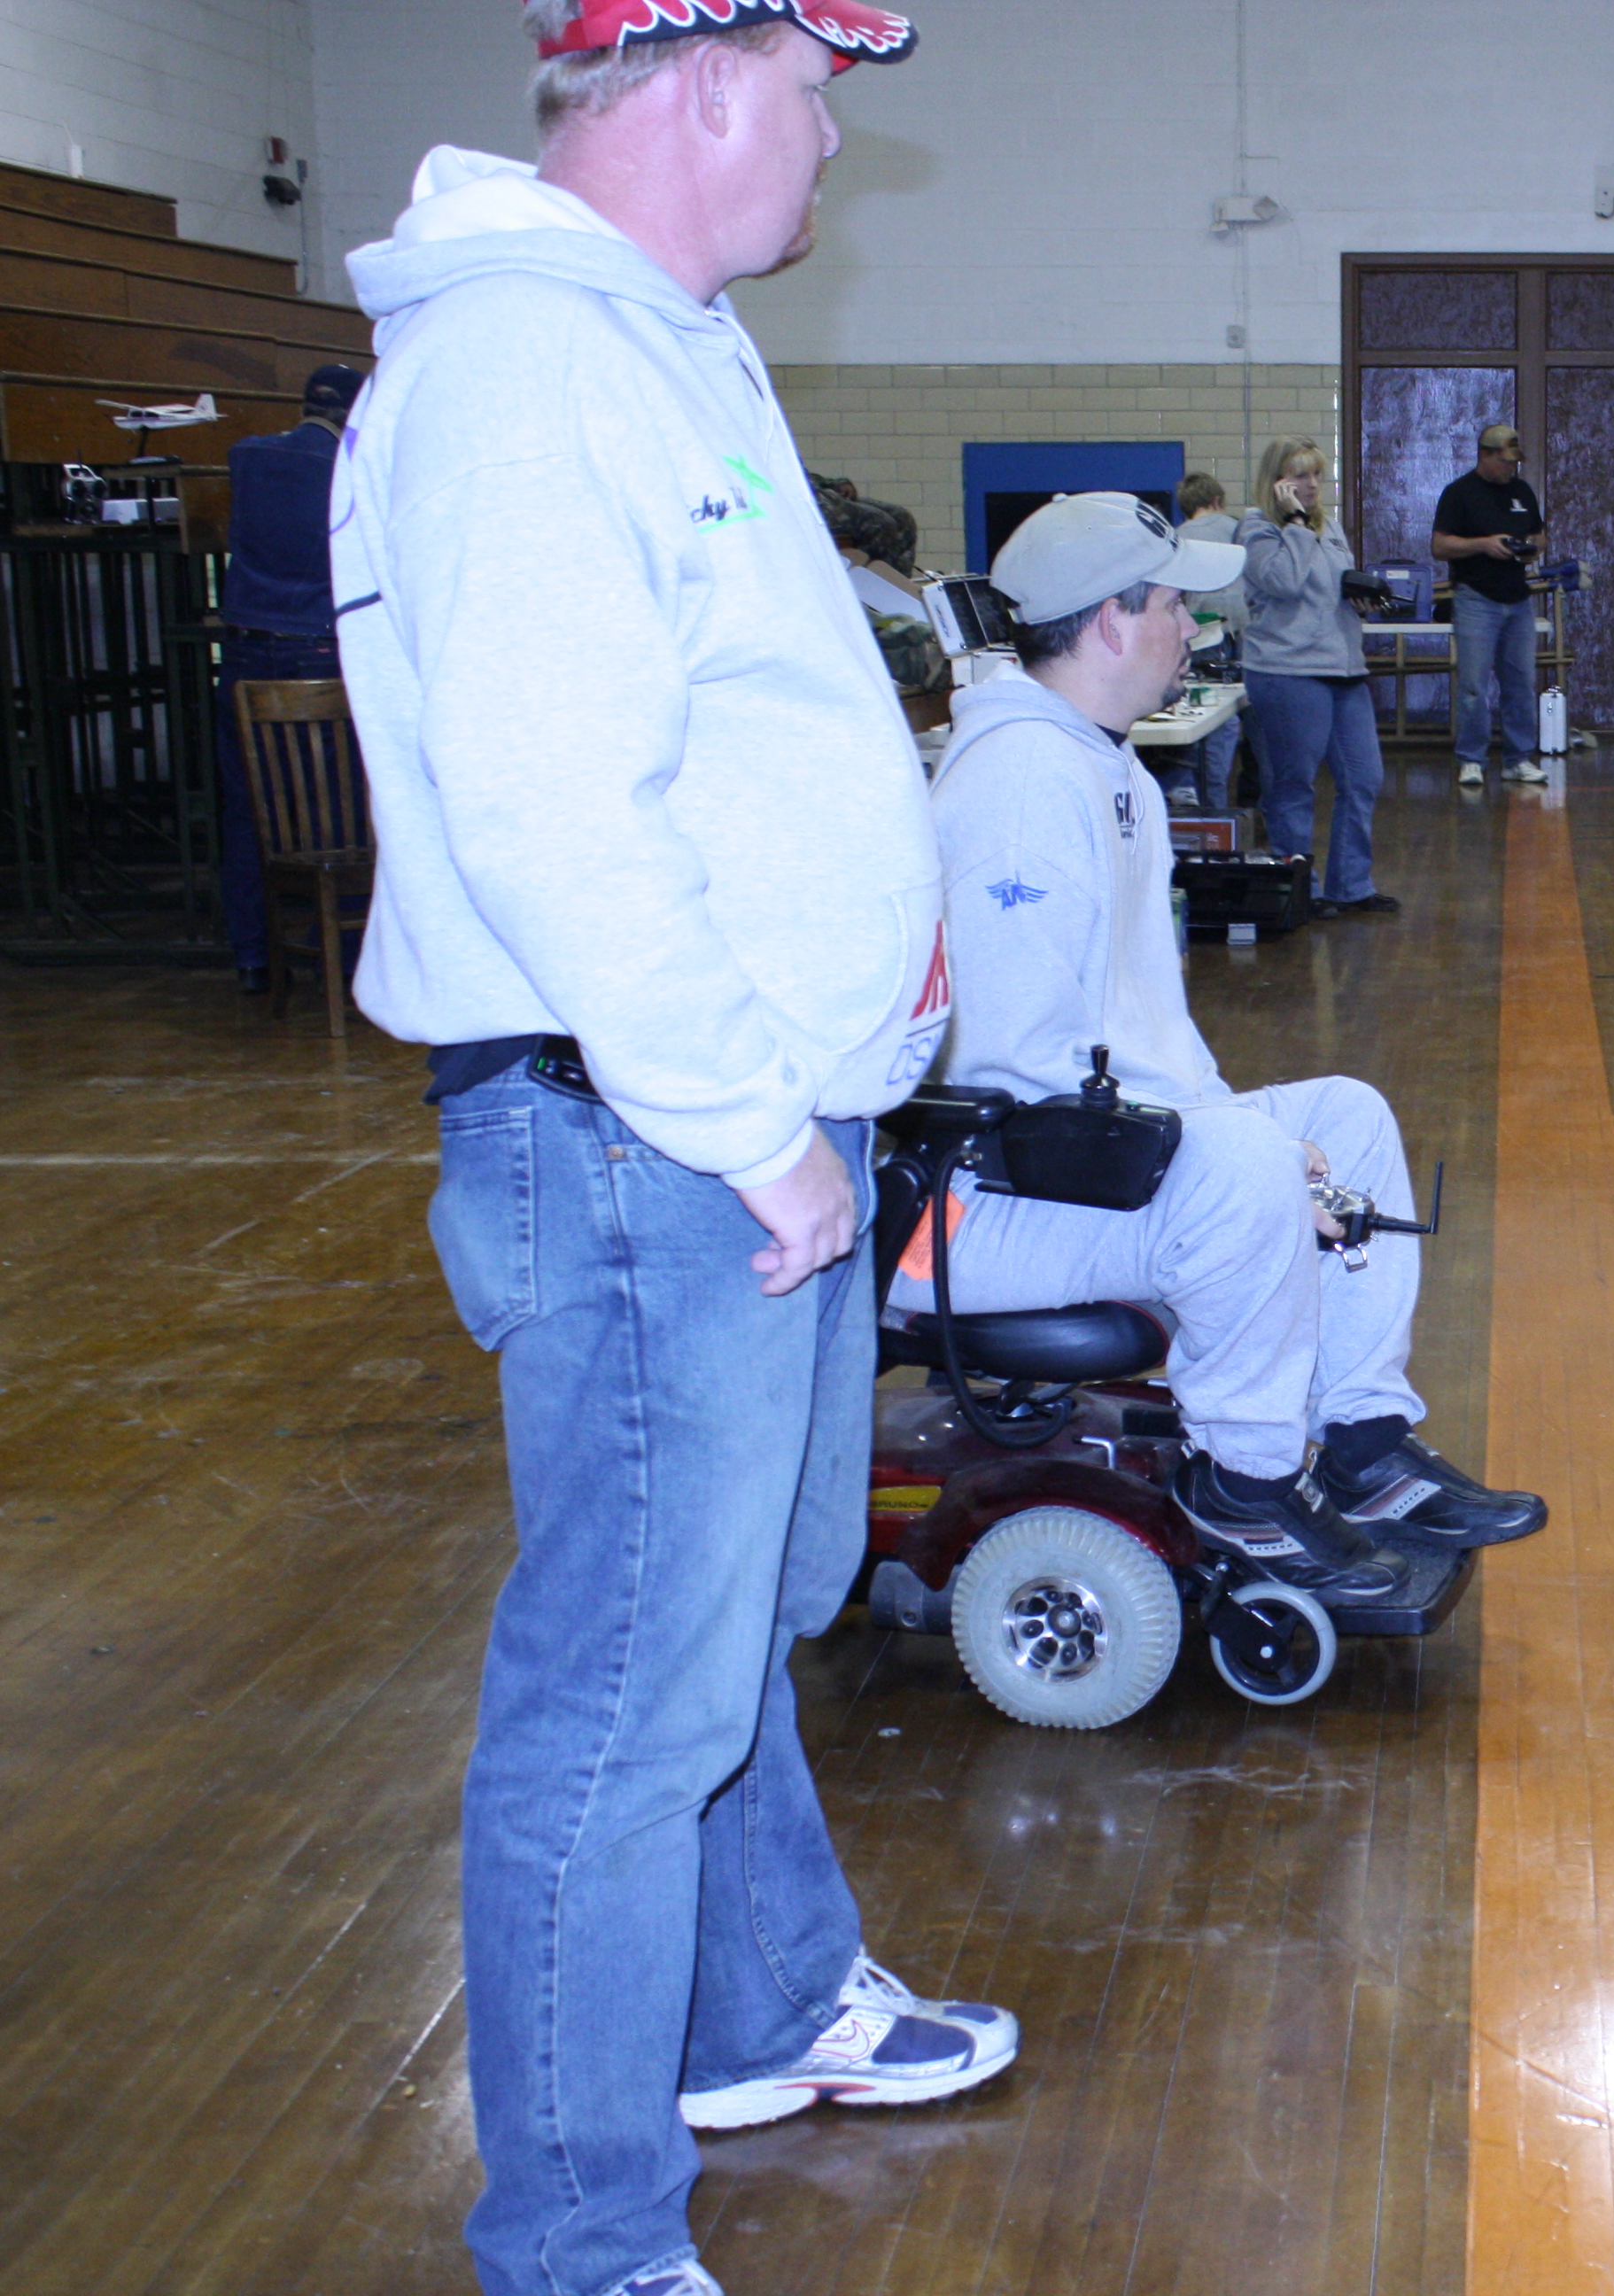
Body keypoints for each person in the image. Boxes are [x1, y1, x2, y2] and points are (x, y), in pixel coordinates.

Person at [329, 7, 1009, 2295]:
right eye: (818, 90)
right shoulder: (529, 363)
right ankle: (582, 2235)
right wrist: (743, 1123)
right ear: (704, 79)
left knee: (740, 1627)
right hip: (655, 1136)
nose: (834, 140)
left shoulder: (656, 341)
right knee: (622, 1699)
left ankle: (765, 2004)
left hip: (741, 1117)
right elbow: (551, 807)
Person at [919, 490, 1547, 1587]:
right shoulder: (1019, 784)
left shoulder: (1108, 767)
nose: (1195, 628)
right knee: (1248, 1165)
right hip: (981, 1200)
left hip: (1076, 1159)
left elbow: (1149, 1036)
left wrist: (1248, 1139)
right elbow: (1014, 1067)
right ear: (1111, 621)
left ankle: (1359, 1442)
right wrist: (1236, 1158)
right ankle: (1245, 1484)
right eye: (1174, 605)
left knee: (1345, 1116)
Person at [213, 361, 363, 997]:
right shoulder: (350, 467)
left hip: (245, 657)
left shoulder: (247, 456)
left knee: (248, 813)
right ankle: (345, 954)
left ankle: (253, 955)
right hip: (320, 655)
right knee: (342, 813)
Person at [1236, 435, 1396, 918]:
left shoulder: (1329, 525)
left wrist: (1359, 598)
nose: (1311, 484)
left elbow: (1329, 587)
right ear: (1277, 481)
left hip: (1342, 666)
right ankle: (1299, 887)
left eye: (1316, 474)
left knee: (1364, 777)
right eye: (1299, 475)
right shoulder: (1258, 529)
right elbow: (1282, 581)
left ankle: (1351, 885)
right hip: (1288, 670)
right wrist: (1295, 524)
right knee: (1294, 784)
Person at [1428, 421, 1548, 789]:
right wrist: (1483, 544)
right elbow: (1439, 546)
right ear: (1485, 455)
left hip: (1518, 598)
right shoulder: (1459, 493)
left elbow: (1540, 535)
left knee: (1521, 683)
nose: (1511, 468)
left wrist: (1530, 548)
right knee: (1474, 686)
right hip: (1476, 599)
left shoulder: (1522, 491)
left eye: (1514, 462)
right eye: (1505, 461)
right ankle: (1471, 759)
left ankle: (1518, 759)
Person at [1160, 469, 1248, 811]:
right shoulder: (1239, 529)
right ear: (1217, 501)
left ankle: (1202, 806)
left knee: (1201, 721)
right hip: (1247, 638)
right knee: (1237, 725)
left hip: (1200, 640)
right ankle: (1233, 810)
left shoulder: (1174, 539)